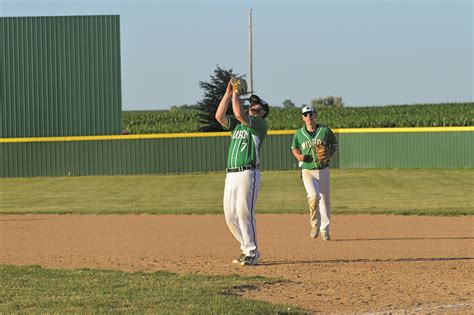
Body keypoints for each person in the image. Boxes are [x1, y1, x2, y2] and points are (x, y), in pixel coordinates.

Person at [215, 81, 269, 266]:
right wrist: (228, 93)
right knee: (230, 216)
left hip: (248, 173)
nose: (254, 105)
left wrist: (236, 94)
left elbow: (238, 113)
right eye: (252, 103)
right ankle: (247, 248)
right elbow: (219, 116)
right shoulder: (237, 126)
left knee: (244, 214)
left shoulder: (259, 125)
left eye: (258, 105)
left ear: (263, 112)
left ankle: (252, 253)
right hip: (231, 175)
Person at [291, 105, 337, 241]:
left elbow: (334, 145)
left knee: (325, 201)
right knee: (314, 196)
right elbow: (294, 148)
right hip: (307, 171)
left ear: (315, 115)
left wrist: (329, 154)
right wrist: (298, 156)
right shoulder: (299, 133)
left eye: (310, 114)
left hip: (323, 170)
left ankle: (325, 230)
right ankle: (315, 224)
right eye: (305, 115)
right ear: (302, 117)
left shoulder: (325, 131)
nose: (308, 117)